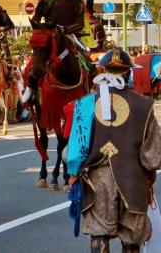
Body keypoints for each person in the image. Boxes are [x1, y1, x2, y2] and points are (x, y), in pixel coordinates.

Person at [68, 48, 161, 253]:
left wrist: (73, 174)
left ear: (102, 70)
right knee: (131, 241)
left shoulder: (85, 104)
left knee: (99, 235)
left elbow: (75, 147)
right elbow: (153, 154)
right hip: (133, 180)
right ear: (129, 72)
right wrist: (150, 173)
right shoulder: (144, 105)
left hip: (97, 180)